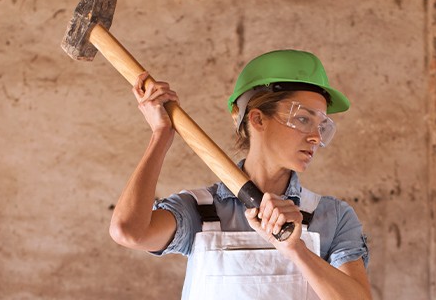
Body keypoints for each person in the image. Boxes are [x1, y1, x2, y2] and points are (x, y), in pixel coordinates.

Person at [108, 49, 372, 299]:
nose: (315, 137)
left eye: (321, 126)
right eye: (303, 119)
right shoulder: (201, 212)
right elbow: (128, 231)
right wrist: (160, 136)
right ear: (257, 119)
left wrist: (295, 249)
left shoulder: (332, 217)